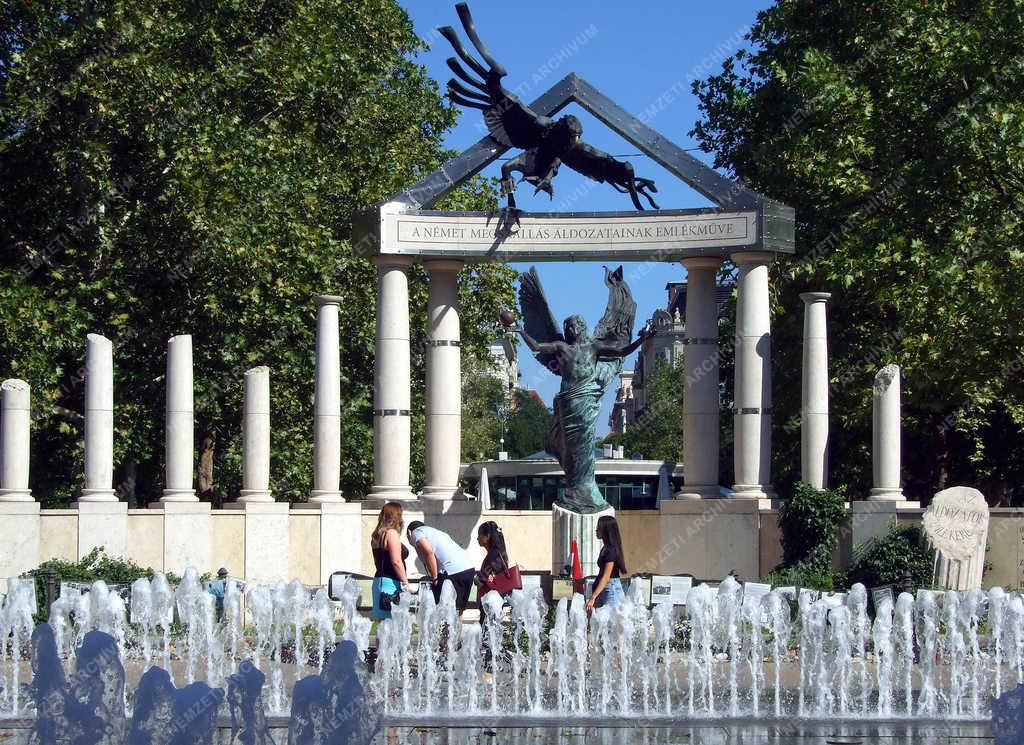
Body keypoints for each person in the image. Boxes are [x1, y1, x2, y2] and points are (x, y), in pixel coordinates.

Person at [407, 520, 477, 617]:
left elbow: (429, 552)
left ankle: (444, 631)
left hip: (452, 571)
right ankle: (456, 632)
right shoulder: (436, 533)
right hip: (469, 569)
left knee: (444, 611)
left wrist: (435, 577)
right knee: (458, 612)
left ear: (408, 532)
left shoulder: (416, 532)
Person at [475, 521, 511, 669]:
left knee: (487, 633)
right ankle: (490, 664)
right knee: (488, 634)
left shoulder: (495, 554)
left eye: (480, 535)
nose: (477, 539)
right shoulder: (497, 552)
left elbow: (487, 574)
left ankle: (509, 661)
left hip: (490, 602)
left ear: (487, 536)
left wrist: (479, 579)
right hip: (490, 601)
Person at [370, 502, 411, 621]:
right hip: (390, 584)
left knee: (383, 628)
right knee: (394, 627)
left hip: (379, 581)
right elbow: (396, 561)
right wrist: (406, 583)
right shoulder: (391, 534)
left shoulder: (376, 536)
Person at [586, 515, 626, 612]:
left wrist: (593, 597)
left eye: (599, 528)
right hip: (606, 589)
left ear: (606, 530)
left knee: (610, 624)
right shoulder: (605, 548)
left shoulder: (611, 550)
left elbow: (606, 577)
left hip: (611, 590)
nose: (596, 531)